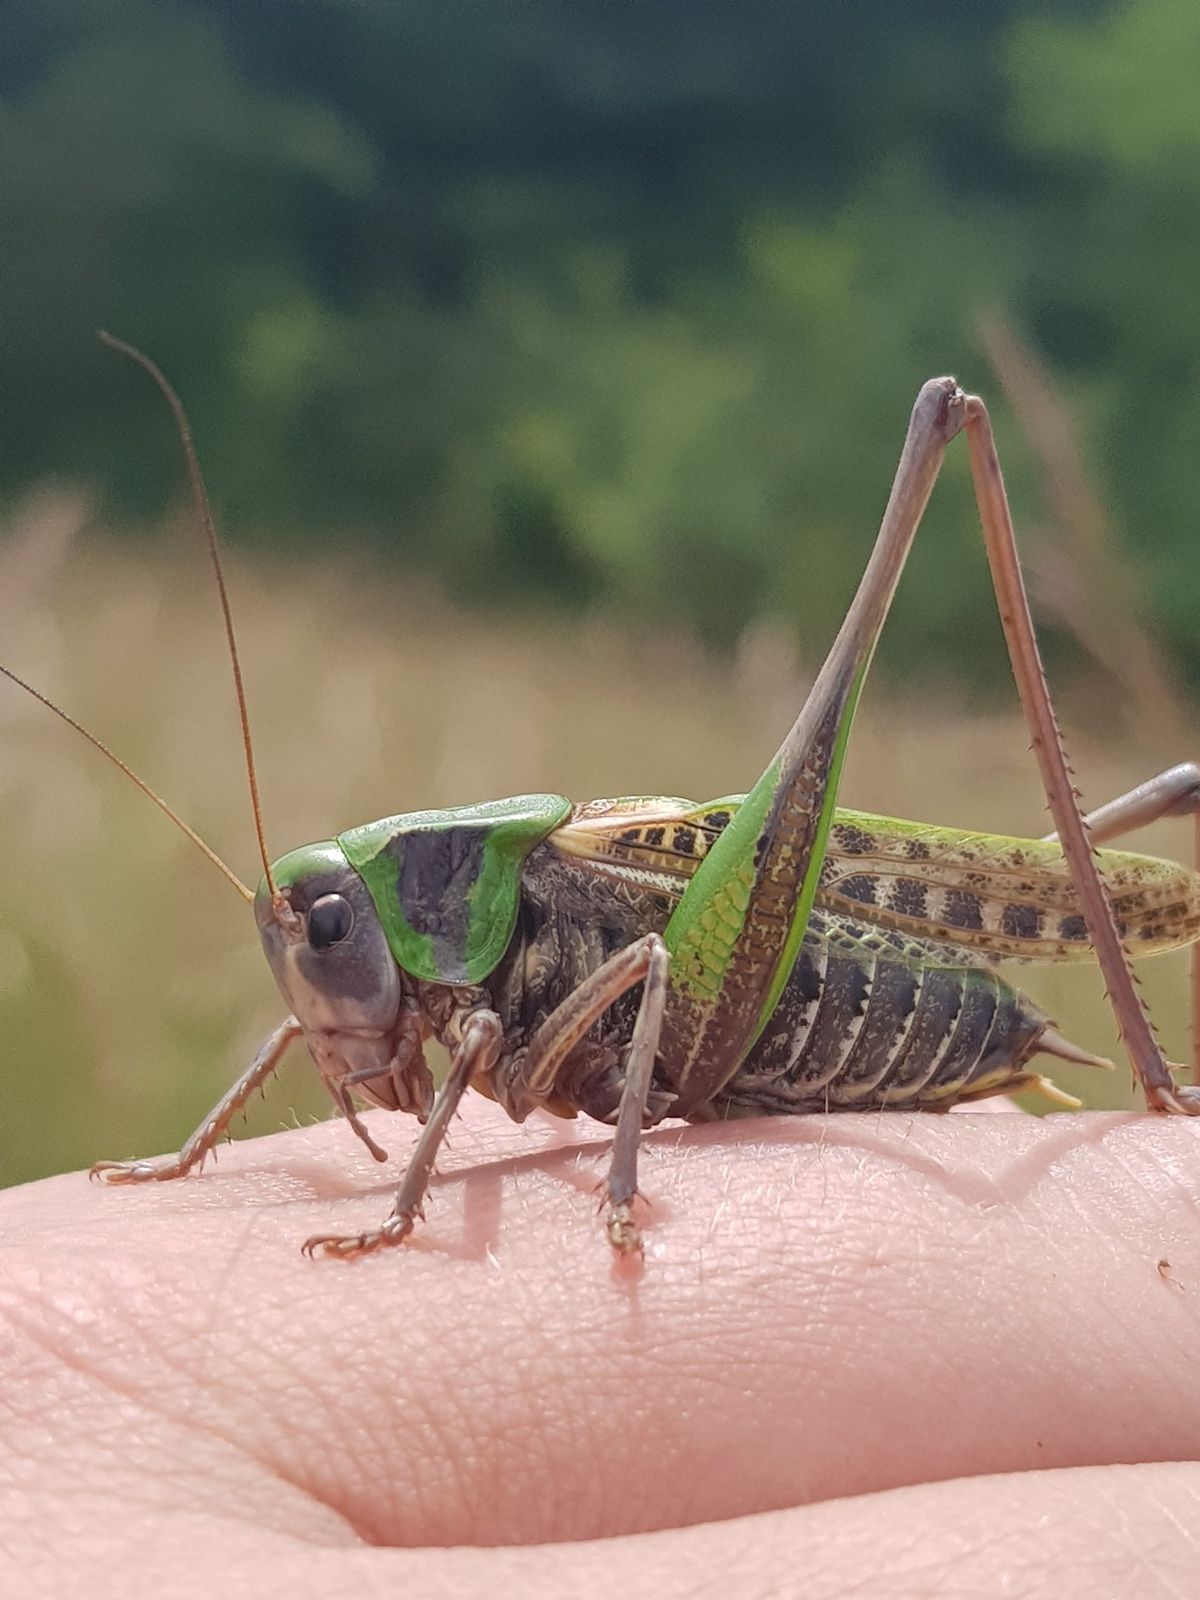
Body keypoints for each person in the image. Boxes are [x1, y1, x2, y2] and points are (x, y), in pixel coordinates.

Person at [2, 1096, 1196, 1597]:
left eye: (330, 932)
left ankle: (1158, 1083)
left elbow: (652, 973)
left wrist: (608, 1196)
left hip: (800, 996)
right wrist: (188, 1166)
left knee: (659, 951)